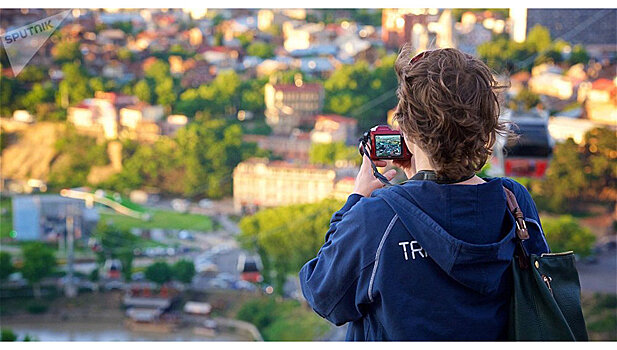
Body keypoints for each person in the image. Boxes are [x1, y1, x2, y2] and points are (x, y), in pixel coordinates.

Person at [298, 46, 550, 341]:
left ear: (408, 130)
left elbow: (323, 294)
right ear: (487, 131)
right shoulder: (514, 203)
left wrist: (354, 203)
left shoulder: (376, 219)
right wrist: (419, 179)